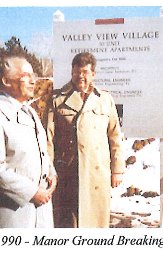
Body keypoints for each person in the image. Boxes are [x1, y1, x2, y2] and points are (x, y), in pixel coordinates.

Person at [0, 56, 57, 228]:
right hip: (12, 216)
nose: (33, 81)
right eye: (26, 75)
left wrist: (51, 172)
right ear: (6, 80)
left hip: (41, 213)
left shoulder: (30, 113)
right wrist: (33, 192)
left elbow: (42, 151)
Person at [47, 52, 126, 228]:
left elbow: (115, 136)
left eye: (84, 72)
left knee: (96, 223)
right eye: (76, 72)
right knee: (69, 223)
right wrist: (48, 170)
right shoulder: (57, 99)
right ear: (71, 72)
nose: (80, 76)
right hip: (68, 173)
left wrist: (118, 169)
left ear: (93, 74)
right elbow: (48, 139)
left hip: (97, 172)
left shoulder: (105, 99)